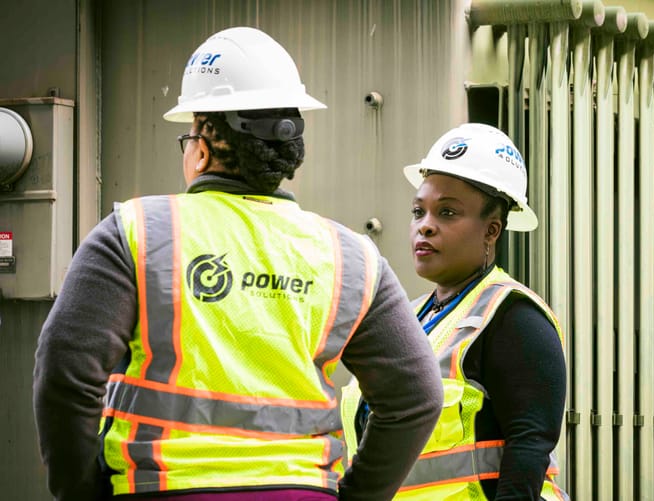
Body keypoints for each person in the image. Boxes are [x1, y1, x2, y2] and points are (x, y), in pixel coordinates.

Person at [33, 27, 443, 501]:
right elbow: (416, 397)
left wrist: (81, 492)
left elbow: (66, 372)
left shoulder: (137, 231)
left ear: (201, 148)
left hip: (164, 489)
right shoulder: (352, 256)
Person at [341, 123, 569, 500]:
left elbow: (529, 447)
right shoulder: (412, 317)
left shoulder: (514, 317)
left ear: (491, 230)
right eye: (419, 211)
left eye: (447, 213)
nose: (425, 226)